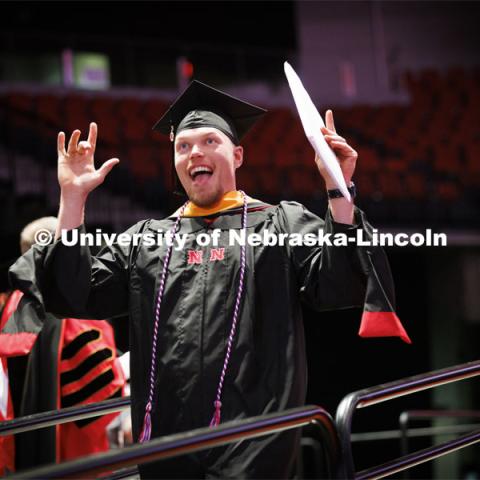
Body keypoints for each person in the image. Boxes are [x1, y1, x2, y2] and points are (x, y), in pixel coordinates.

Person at [8, 81, 410, 478]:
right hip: (167, 450)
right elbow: (74, 293)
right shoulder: (148, 240)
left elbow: (337, 282)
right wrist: (73, 199)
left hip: (254, 447)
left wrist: (338, 190)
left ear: (237, 155)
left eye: (209, 141)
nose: (195, 152)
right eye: (183, 146)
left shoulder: (277, 224)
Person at [1, 217, 126, 471]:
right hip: (72, 460)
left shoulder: (11, 307)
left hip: (15, 455)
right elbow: (101, 407)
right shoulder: (76, 316)